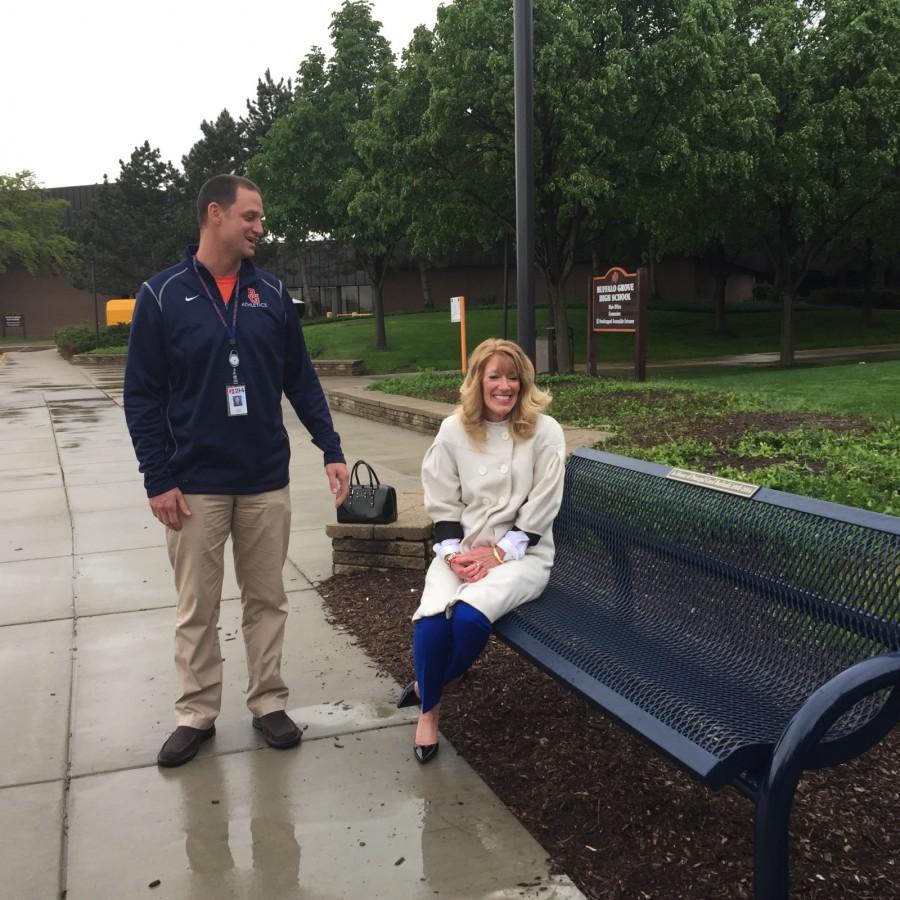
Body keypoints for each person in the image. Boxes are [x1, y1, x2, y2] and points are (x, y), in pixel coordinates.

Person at [124, 174, 349, 768]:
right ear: (215, 215)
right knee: (196, 606)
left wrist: (331, 448)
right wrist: (157, 477)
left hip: (263, 478)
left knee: (266, 599)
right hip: (193, 483)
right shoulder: (162, 295)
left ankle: (268, 702)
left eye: (261, 216)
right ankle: (195, 712)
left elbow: (300, 380)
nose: (259, 227)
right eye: (251, 216)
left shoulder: (271, 295)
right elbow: (141, 396)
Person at [398, 338, 566, 763]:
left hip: (523, 553)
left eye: (513, 377)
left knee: (470, 621)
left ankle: (424, 686)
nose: (505, 386)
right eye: (495, 376)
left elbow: (544, 503)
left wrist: (501, 553)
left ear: (524, 382)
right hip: (464, 548)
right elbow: (443, 498)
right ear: (478, 381)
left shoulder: (545, 432)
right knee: (433, 622)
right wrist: (454, 553)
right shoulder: (454, 430)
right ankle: (429, 713)